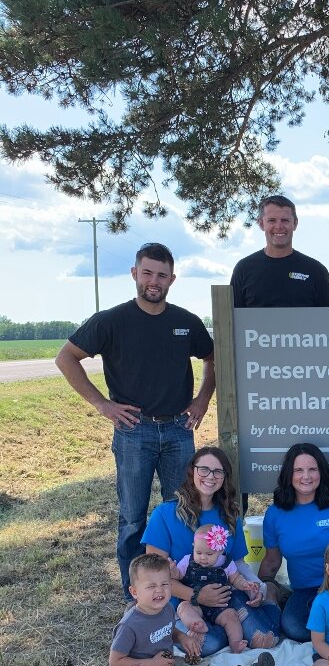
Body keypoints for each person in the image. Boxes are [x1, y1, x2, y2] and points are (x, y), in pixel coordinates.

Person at [56, 242, 215, 597]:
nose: (153, 281)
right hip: (133, 432)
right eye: (147, 273)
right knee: (133, 517)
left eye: (161, 275)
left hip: (178, 429)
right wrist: (102, 404)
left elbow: (213, 358)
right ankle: (135, 592)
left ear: (172, 279)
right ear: (134, 274)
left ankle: (185, 584)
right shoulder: (110, 321)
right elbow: (66, 358)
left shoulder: (185, 323)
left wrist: (202, 400)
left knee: (183, 511)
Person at [143, 446, 281, 657]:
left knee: (266, 636)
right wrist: (197, 595)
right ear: (192, 471)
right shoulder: (164, 514)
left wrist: (258, 587)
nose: (210, 476)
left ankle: (270, 599)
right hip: (181, 601)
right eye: (204, 469)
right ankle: (230, 628)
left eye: (218, 471)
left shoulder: (229, 514)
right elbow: (152, 577)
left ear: (225, 477)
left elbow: (239, 564)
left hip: (225, 596)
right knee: (208, 644)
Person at [109, 553, 274, 666]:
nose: (160, 591)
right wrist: (151, 665)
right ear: (134, 592)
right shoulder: (129, 625)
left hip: (163, 662)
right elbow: (115, 662)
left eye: (165, 584)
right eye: (151, 586)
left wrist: (182, 637)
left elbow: (168, 629)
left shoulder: (165, 608)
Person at [258, 443, 329, 642]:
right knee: (294, 627)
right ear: (289, 474)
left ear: (321, 472)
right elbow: (271, 562)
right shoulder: (275, 513)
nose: (306, 476)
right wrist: (263, 588)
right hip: (305, 591)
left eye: (312, 469)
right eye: (298, 470)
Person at [173, 523, 275, 654]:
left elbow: (236, 578)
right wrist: (172, 571)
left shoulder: (226, 563)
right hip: (194, 602)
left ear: (220, 551)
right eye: (198, 552)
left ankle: (235, 643)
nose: (203, 557)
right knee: (184, 608)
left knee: (231, 616)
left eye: (209, 554)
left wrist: (245, 584)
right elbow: (178, 574)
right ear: (193, 547)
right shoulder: (188, 560)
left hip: (219, 605)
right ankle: (196, 624)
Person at [231, 194, 329, 309]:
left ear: (295, 223)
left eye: (285, 220)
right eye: (272, 220)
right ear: (261, 224)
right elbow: (230, 319)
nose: (279, 226)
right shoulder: (244, 269)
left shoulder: (316, 270)